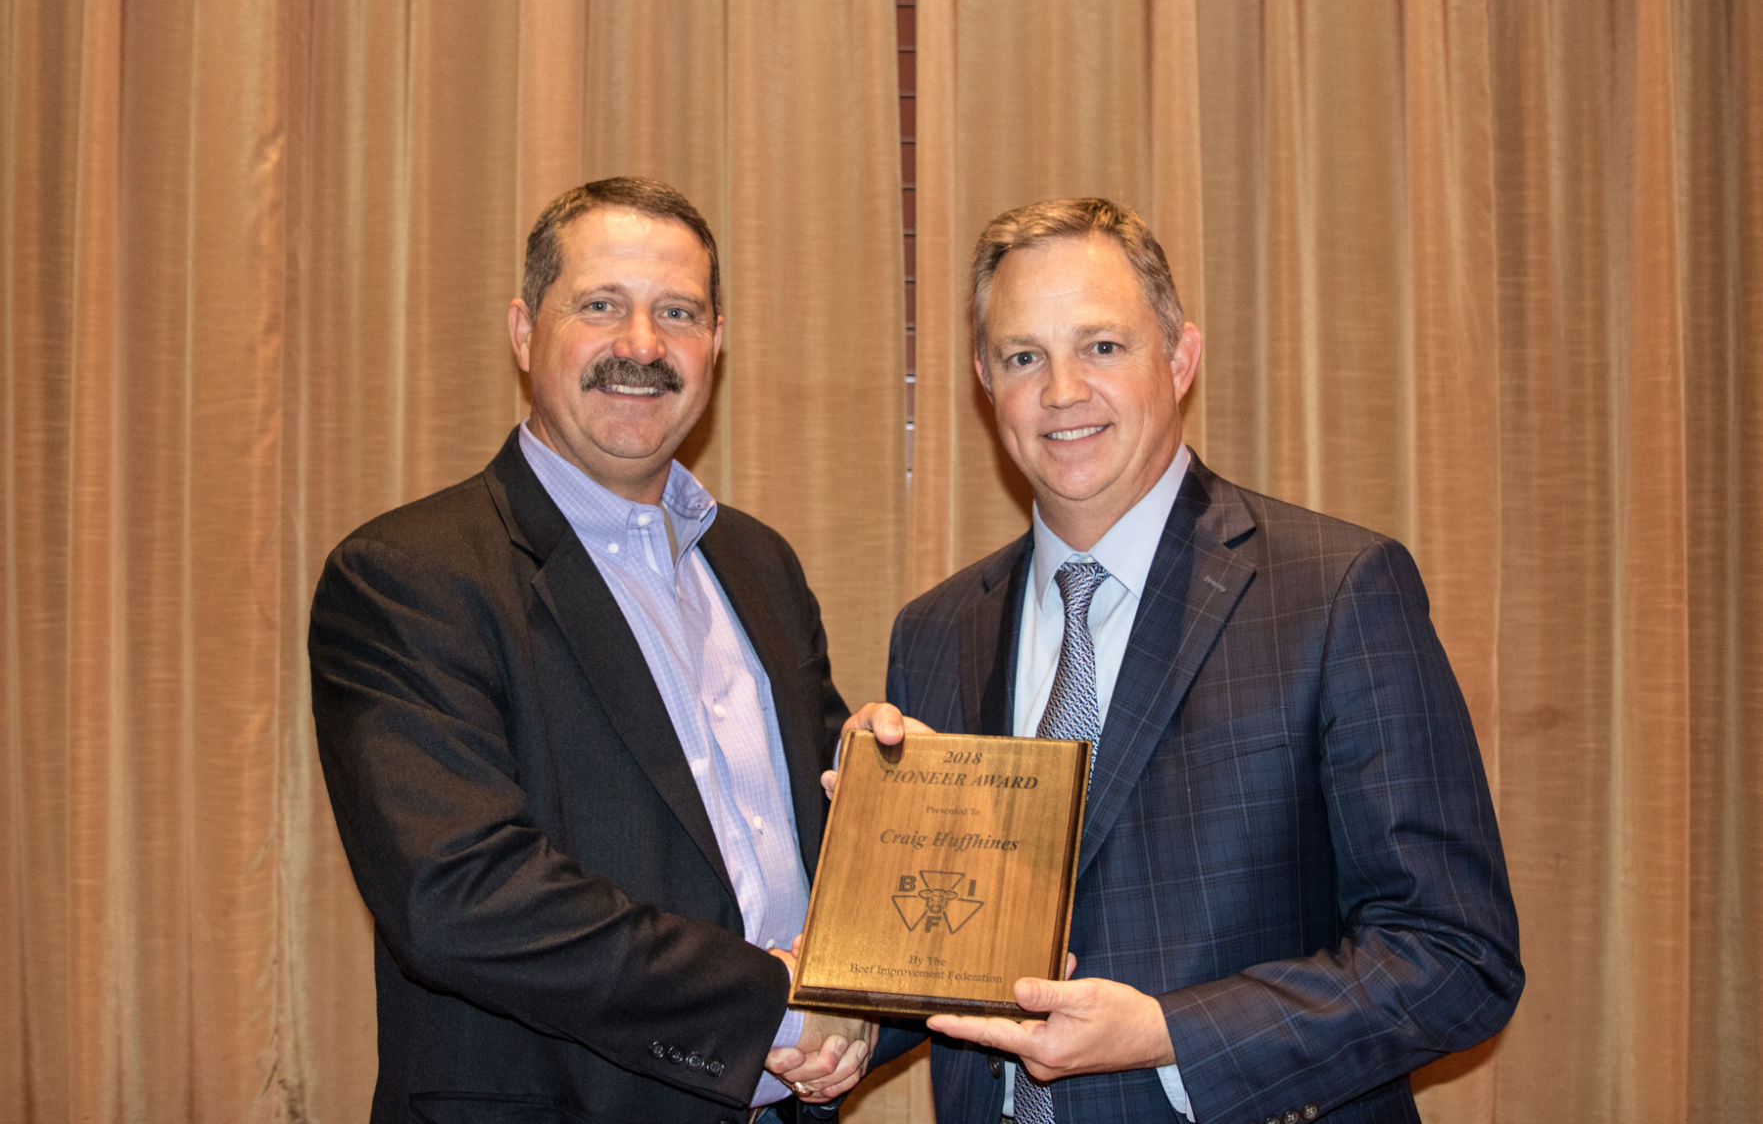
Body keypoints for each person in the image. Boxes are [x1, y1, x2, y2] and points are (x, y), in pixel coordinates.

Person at [844, 197, 1523, 1122]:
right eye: (1023, 357)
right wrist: (842, 973)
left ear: (1179, 358)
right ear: (982, 381)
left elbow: (1454, 955)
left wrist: (1171, 1035)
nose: (1061, 391)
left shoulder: (1335, 592)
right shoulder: (934, 631)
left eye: (1101, 346)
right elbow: (946, 955)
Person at [309, 177, 871, 1123]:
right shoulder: (408, 575)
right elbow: (459, 893)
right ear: (524, 331)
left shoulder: (759, 564)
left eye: (677, 312)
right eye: (601, 305)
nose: (641, 345)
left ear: (716, 342)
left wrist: (892, 794)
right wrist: (767, 1002)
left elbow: (819, 838)